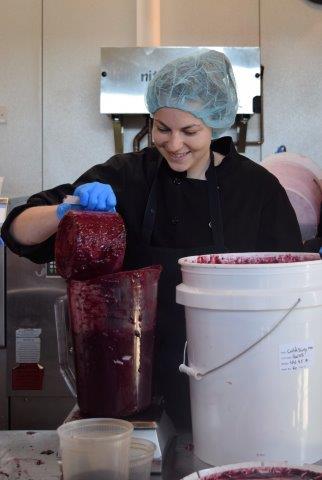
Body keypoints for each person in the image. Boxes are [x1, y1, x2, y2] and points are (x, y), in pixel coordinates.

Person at [1, 50, 303, 427]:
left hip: (234, 378)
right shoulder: (127, 177)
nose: (174, 144)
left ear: (216, 124)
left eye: (189, 131)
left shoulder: (257, 190)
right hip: (132, 380)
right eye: (162, 128)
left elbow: (294, 290)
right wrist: (67, 210)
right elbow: (16, 230)